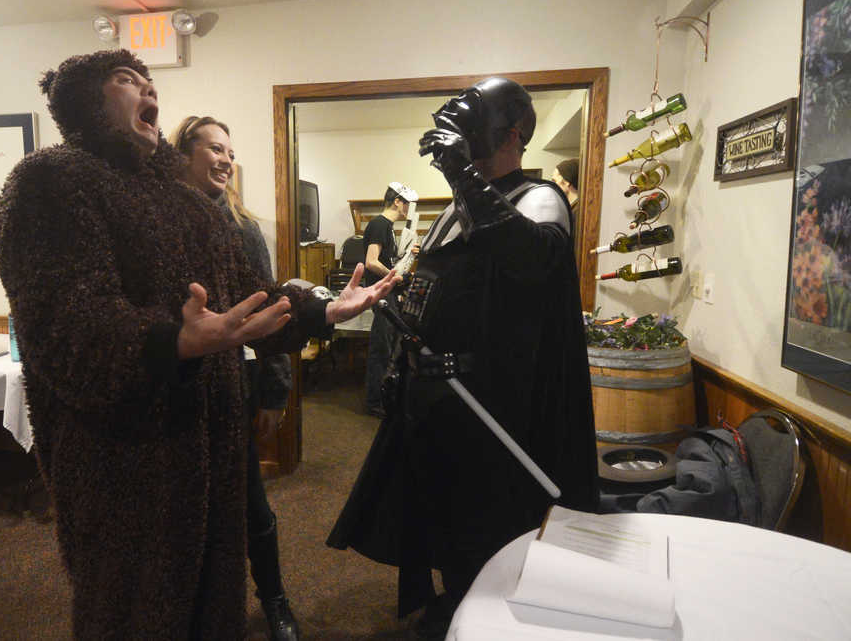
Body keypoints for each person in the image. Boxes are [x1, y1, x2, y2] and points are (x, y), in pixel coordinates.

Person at [0, 49, 398, 639]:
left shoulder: (192, 207)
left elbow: (246, 299)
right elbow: (63, 328)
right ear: (84, 98)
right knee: (132, 606)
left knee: (213, 598)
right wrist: (171, 341)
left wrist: (322, 310)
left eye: (150, 80)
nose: (147, 90)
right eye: (127, 80)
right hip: (124, 455)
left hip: (211, 440)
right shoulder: (49, 181)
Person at [327, 77, 599, 639]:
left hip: (494, 402)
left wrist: (462, 174)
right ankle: (456, 600)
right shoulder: (456, 209)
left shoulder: (539, 197)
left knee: (487, 520)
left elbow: (531, 259)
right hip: (438, 396)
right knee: (440, 511)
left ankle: (487, 618)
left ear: (512, 134)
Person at [170, 114, 299, 641]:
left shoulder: (243, 228)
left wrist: (275, 390)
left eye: (230, 151)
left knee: (252, 502)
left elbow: (272, 308)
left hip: (230, 385)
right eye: (214, 149)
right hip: (175, 385)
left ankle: (275, 601)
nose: (225, 159)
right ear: (184, 154)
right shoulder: (161, 221)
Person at [362, 182, 417, 417]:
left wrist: (406, 257)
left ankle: (382, 397)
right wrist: (395, 277)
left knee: (390, 345)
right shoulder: (379, 224)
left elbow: (386, 261)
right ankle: (374, 402)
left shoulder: (388, 227)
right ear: (397, 201)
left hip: (387, 291)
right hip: (380, 291)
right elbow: (371, 262)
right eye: (407, 203)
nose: (409, 208)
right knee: (381, 348)